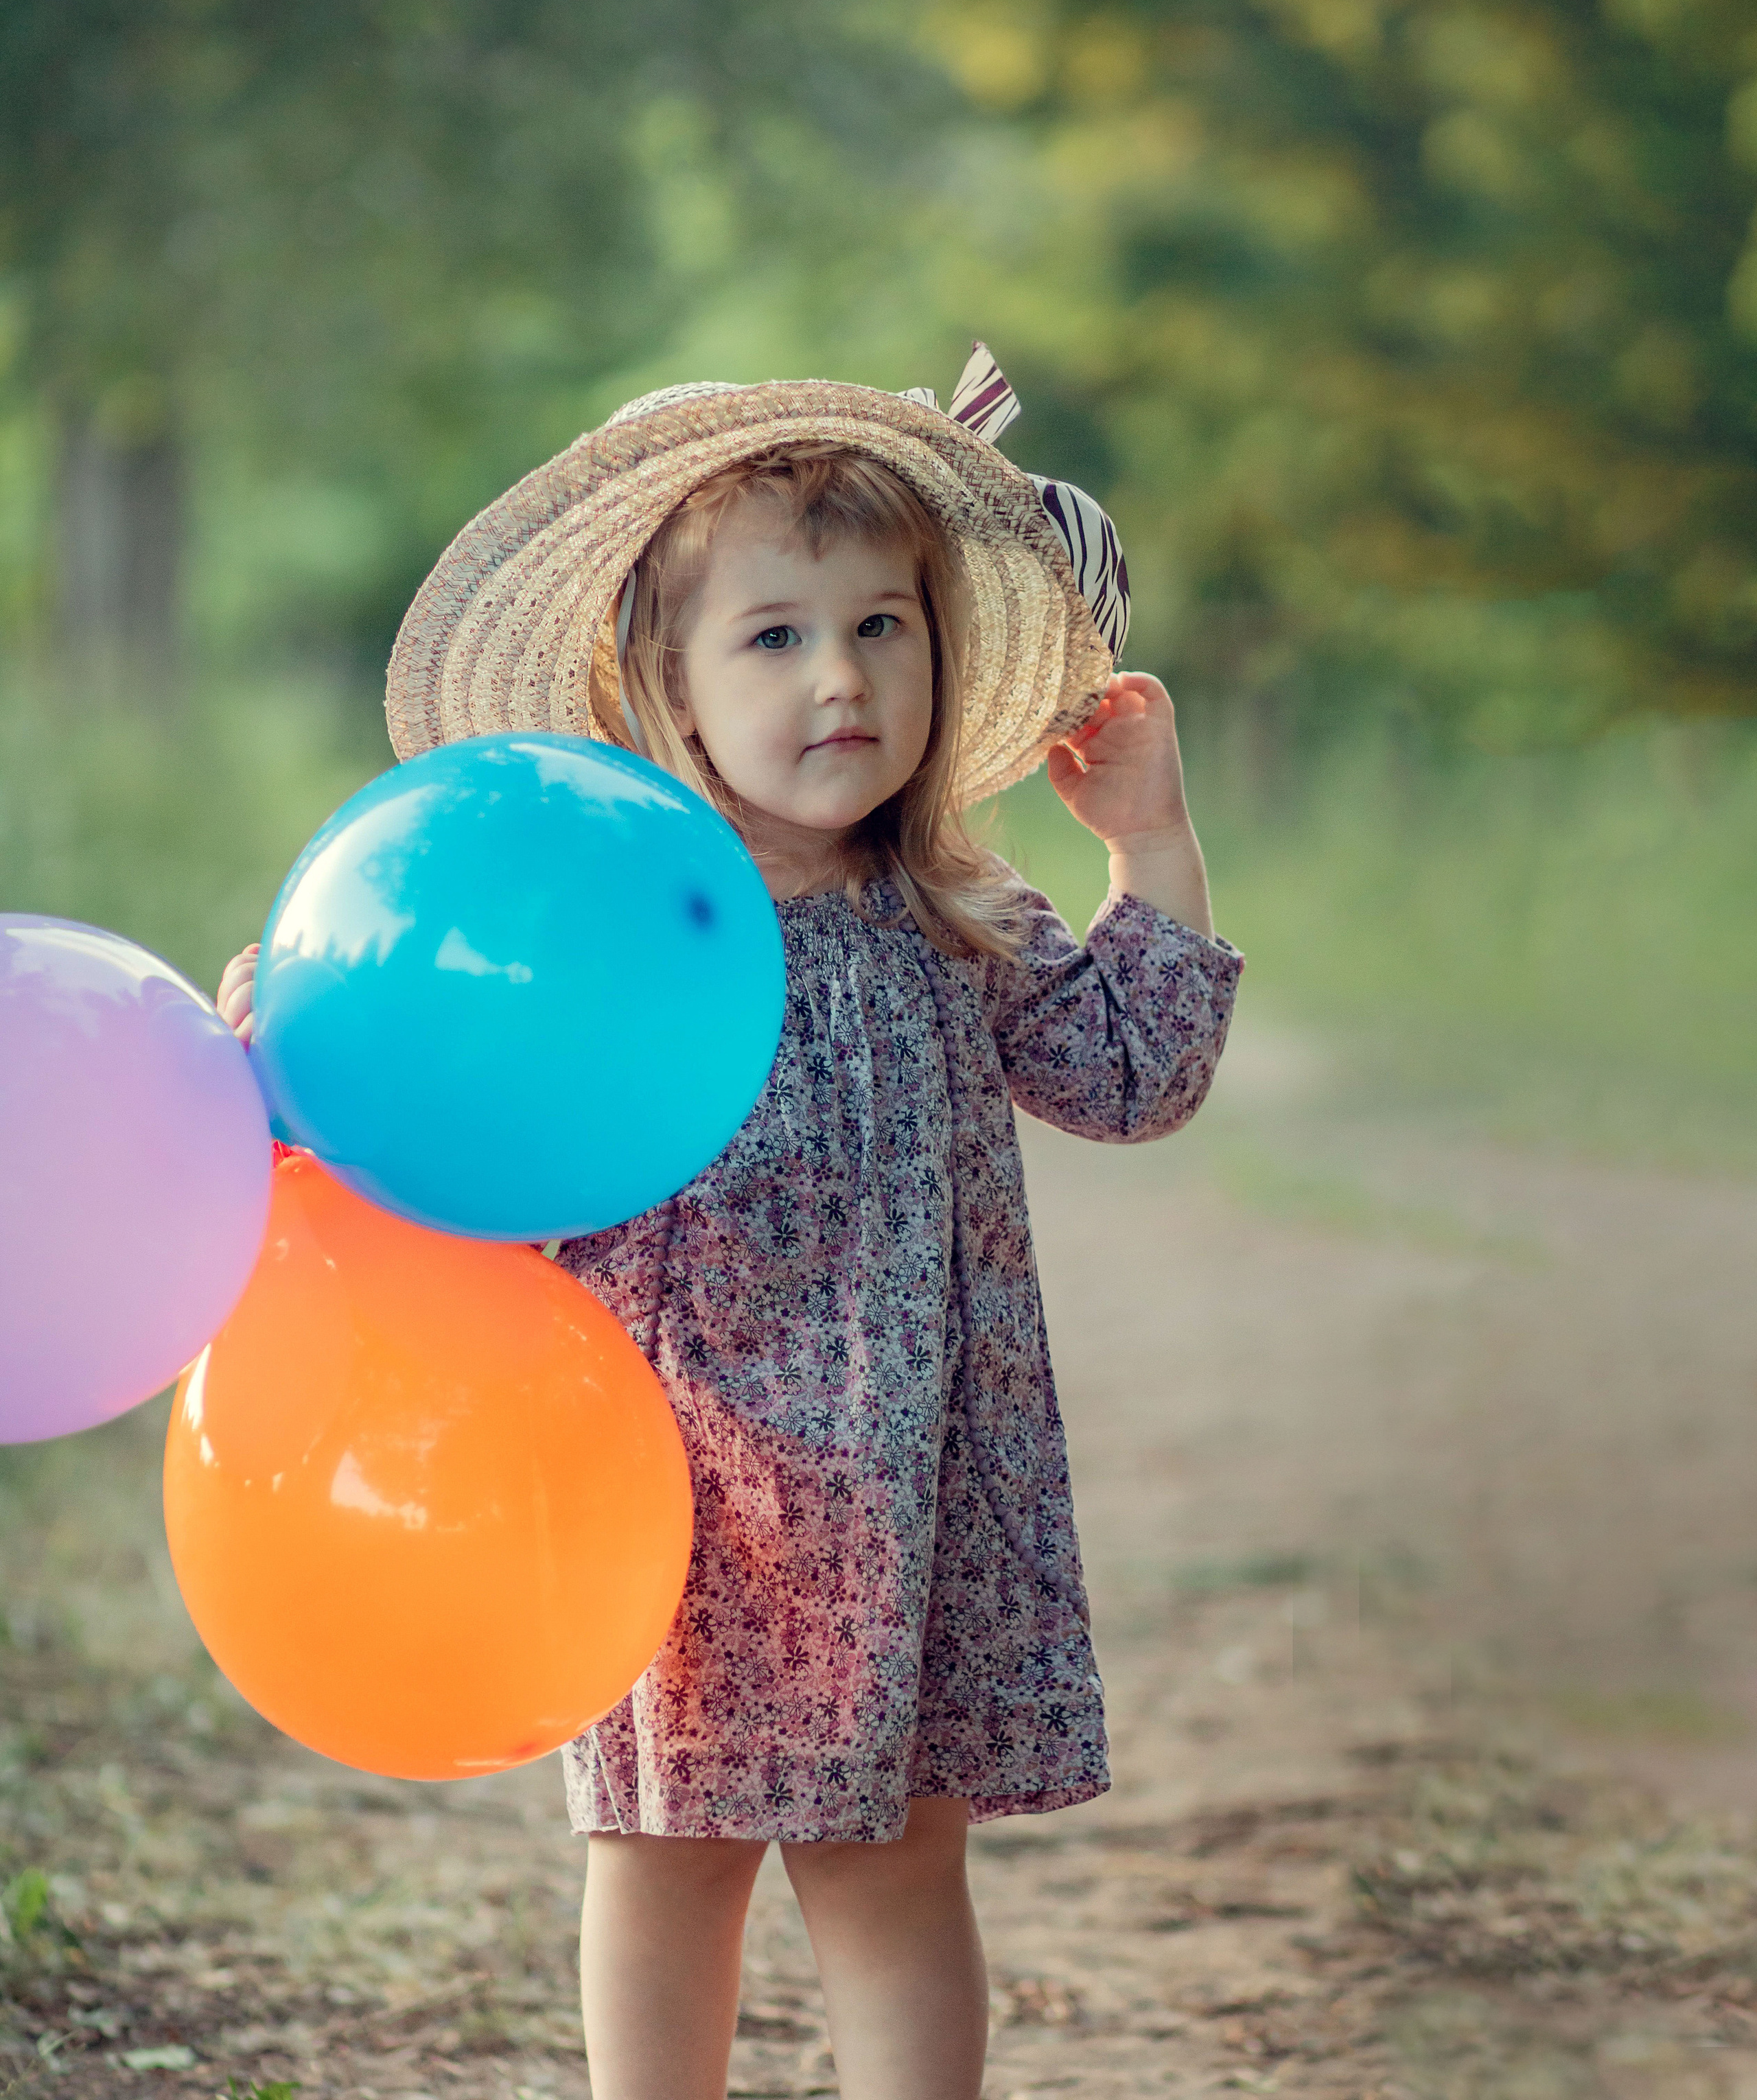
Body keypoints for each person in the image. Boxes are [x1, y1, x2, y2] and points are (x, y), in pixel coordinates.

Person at [216, 345, 1242, 2100]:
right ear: (672, 693)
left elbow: (1138, 1072)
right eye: (772, 636)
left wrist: (1147, 843)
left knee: (897, 1864)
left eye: (881, 626)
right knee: (663, 1859)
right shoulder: (591, 939)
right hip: (670, 1504)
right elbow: (450, 1146)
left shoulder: (953, 909)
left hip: (913, 1500)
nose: (837, 677)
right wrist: (302, 1064)